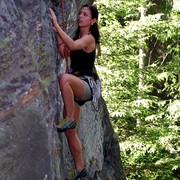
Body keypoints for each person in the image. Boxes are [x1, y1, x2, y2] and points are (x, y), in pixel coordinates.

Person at [49, 4, 100, 180]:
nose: (80, 16)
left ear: (93, 21)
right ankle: (80, 168)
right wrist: (58, 36)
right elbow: (64, 52)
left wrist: (56, 24)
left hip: (86, 85)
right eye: (80, 13)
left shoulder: (89, 39)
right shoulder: (77, 36)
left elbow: (71, 45)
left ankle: (69, 119)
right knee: (71, 133)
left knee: (63, 78)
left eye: (85, 15)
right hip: (77, 86)